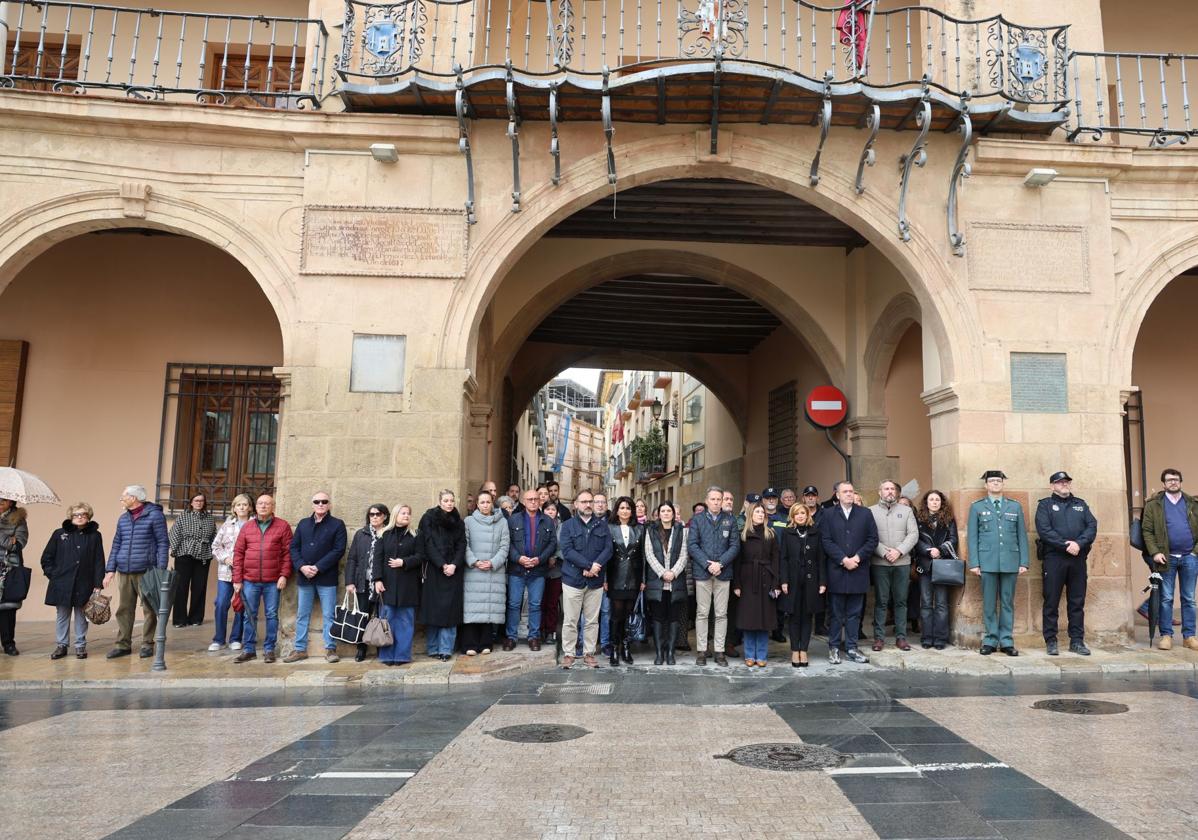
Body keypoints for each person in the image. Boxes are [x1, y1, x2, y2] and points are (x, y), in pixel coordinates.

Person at [1035, 471, 1098, 656]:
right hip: (1054, 559)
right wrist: (1065, 545)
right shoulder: (1045, 506)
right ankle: (1051, 641)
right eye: (1059, 482)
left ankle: (1077, 641)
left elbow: (1092, 526)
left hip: (1078, 558)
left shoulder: (1080, 504)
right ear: (1052, 486)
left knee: (1077, 602)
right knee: (1051, 600)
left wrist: (1079, 543)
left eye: (1067, 482)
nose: (1064, 484)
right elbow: (1044, 530)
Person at [967, 470, 1029, 656]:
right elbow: (973, 537)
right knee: (988, 604)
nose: (995, 483)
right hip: (987, 562)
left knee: (1007, 602)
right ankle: (991, 640)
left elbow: (1022, 536)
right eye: (991, 481)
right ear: (986, 485)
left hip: (1011, 560)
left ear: (1003, 484)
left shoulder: (1014, 506)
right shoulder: (977, 507)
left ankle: (1007, 641)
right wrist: (975, 562)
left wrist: (1024, 561)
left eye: (998, 481)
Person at [103, 485, 168, 660]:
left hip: (147, 570)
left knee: (149, 609)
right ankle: (122, 645)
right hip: (124, 570)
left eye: (124, 495)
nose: (121, 499)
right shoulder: (123, 519)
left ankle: (147, 644)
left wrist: (160, 570)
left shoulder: (155, 515)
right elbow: (116, 544)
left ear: (134, 498)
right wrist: (110, 570)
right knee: (124, 609)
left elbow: (163, 543)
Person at [1140, 468, 1198, 651]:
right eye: (1169, 480)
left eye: (1176, 479)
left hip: (1190, 557)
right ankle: (1166, 635)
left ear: (1180, 482)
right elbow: (1147, 532)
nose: (1173, 482)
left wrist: (1196, 551)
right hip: (1166, 558)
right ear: (1163, 484)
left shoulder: (1193, 503)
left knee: (1189, 599)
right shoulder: (1153, 505)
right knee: (1166, 598)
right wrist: (1155, 552)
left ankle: (1190, 636)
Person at [286, 492, 347, 664]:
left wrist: (318, 567)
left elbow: (338, 550)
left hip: (326, 577)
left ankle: (330, 649)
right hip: (305, 577)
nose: (320, 504)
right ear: (312, 504)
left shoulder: (337, 524)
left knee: (329, 615)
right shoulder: (303, 524)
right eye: (317, 501)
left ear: (329, 505)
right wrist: (302, 566)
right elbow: (294, 548)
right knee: (302, 614)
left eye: (324, 501)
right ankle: (299, 649)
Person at [40, 502, 105, 660]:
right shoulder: (59, 534)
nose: (80, 517)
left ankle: (80, 646)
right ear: (71, 517)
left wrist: (97, 585)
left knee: (82, 615)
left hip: (85, 582)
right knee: (62, 615)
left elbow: (99, 561)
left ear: (88, 517)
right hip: (62, 583)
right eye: (76, 514)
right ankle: (61, 645)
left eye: (83, 514)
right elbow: (46, 558)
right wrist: (54, 575)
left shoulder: (95, 535)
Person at [232, 494, 292, 663]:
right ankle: (249, 649)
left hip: (273, 581)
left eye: (267, 503)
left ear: (273, 506)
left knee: (271, 615)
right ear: (255, 507)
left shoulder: (282, 526)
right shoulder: (247, 527)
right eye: (260, 503)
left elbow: (288, 554)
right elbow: (238, 553)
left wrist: (284, 575)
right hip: (249, 580)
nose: (263, 506)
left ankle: (269, 649)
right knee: (249, 615)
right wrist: (237, 580)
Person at [822, 481, 877, 664]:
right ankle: (834, 647)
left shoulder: (865, 513)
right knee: (836, 613)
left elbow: (872, 539)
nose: (849, 494)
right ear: (837, 495)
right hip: (837, 571)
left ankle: (852, 647)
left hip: (858, 571)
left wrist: (857, 558)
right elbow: (826, 540)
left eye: (851, 491)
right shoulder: (828, 514)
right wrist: (843, 559)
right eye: (844, 492)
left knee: (855, 613)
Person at [558, 489, 612, 669]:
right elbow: (567, 551)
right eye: (584, 502)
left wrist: (595, 566)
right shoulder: (567, 526)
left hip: (595, 581)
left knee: (591, 620)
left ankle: (589, 653)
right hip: (573, 580)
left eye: (590, 501)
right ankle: (569, 653)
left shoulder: (603, 525)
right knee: (571, 620)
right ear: (576, 505)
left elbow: (608, 549)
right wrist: (588, 566)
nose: (588, 505)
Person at [688, 485, 740, 666]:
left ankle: (720, 651)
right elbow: (692, 545)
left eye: (719, 499)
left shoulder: (730, 520)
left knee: (721, 614)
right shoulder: (697, 520)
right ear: (707, 500)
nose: (716, 502)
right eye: (713, 499)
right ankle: (702, 651)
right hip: (703, 573)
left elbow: (735, 546)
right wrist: (707, 564)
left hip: (723, 573)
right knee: (702, 613)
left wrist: (721, 564)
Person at [870, 479, 918, 652]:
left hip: (902, 562)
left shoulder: (906, 511)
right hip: (880, 563)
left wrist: (898, 551)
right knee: (881, 601)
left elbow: (913, 534)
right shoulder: (870, 512)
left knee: (901, 601)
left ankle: (901, 637)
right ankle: (879, 638)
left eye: (892, 489)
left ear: (896, 493)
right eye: (886, 488)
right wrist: (884, 552)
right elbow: (870, 536)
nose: (889, 491)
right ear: (879, 492)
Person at [505, 488, 556, 651]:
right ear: (524, 501)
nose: (533, 502)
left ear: (540, 501)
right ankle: (511, 637)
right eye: (530, 499)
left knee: (535, 604)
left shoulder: (548, 521)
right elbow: (508, 543)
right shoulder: (513, 520)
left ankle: (533, 637)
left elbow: (552, 544)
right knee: (513, 604)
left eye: (536, 499)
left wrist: (540, 559)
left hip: (538, 570)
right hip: (517, 569)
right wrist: (518, 558)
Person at [419, 490, 466, 660]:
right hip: (434, 570)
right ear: (439, 502)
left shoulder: (458, 522)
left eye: (452, 500)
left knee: (450, 612)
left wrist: (453, 564)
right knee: (434, 611)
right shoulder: (428, 518)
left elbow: (462, 545)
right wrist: (442, 564)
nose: (449, 503)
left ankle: (446, 649)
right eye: (446, 500)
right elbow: (427, 543)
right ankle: (433, 648)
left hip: (453, 571)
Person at [463, 490, 509, 656]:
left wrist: (493, 562)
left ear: (492, 503)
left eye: (488, 502)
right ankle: (470, 643)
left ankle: (485, 643)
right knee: (472, 608)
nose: (485, 505)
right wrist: (474, 561)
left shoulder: (502, 522)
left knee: (488, 608)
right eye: (481, 502)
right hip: (473, 570)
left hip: (493, 571)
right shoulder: (468, 521)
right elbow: (464, 544)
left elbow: (505, 546)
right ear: (477, 504)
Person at [374, 505, 421, 665]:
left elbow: (421, 556)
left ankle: (402, 656)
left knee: (405, 622)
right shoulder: (384, 535)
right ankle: (387, 656)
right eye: (403, 513)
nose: (406, 516)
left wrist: (404, 562)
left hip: (408, 586)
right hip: (388, 585)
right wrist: (377, 580)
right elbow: (377, 560)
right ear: (395, 515)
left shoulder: (415, 535)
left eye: (409, 513)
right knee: (388, 620)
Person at [735, 501, 781, 667]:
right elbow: (738, 561)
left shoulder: (771, 534)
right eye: (757, 512)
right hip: (748, 580)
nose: (761, 514)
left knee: (764, 620)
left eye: (762, 512)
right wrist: (737, 584)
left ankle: (761, 655)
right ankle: (749, 654)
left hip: (766, 579)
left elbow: (776, 560)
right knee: (749, 619)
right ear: (750, 515)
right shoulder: (743, 535)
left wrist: (776, 584)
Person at [779, 504, 825, 667]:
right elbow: (783, 558)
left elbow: (821, 559)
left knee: (807, 616)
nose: (800, 516)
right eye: (797, 513)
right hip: (792, 580)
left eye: (803, 513)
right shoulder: (787, 532)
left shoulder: (815, 532)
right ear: (792, 516)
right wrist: (783, 580)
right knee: (793, 616)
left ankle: (804, 650)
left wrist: (822, 582)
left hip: (811, 580)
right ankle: (794, 651)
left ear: (807, 515)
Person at [913, 490, 959, 650]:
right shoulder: (918, 519)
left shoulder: (948, 520)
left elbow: (953, 539)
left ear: (941, 502)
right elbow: (915, 539)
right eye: (931, 499)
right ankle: (926, 637)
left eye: (937, 500)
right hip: (925, 565)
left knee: (941, 604)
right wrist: (928, 550)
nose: (934, 502)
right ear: (926, 502)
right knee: (925, 603)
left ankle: (940, 638)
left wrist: (940, 549)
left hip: (942, 565)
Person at [343, 503, 389, 663]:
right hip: (363, 582)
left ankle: (380, 647)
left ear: (385, 516)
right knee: (362, 617)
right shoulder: (361, 534)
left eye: (378, 514)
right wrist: (349, 581)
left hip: (382, 584)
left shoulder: (388, 533)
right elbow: (352, 559)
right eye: (371, 514)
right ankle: (361, 649)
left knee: (381, 617)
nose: (374, 517)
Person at [644, 500, 687, 665]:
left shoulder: (682, 531)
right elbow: (649, 554)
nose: (666, 513)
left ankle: (670, 652)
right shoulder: (651, 530)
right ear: (659, 513)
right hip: (658, 582)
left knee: (674, 617)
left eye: (669, 511)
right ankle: (659, 653)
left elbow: (684, 555)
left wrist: (673, 573)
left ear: (673, 514)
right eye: (663, 511)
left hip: (676, 582)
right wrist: (663, 573)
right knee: (658, 617)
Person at [209, 493, 252, 652]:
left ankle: (236, 638)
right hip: (226, 572)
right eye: (238, 505)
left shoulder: (253, 525)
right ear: (234, 508)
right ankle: (219, 639)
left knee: (240, 604)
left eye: (245, 505)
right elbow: (215, 546)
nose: (242, 507)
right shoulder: (227, 525)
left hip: (246, 572)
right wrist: (225, 558)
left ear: (249, 508)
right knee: (221, 603)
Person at [168, 492, 217, 628]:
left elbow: (215, 536)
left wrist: (212, 550)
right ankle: (179, 619)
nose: (199, 503)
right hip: (185, 553)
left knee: (199, 587)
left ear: (204, 503)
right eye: (196, 500)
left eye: (201, 501)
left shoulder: (210, 518)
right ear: (191, 502)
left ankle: (196, 618)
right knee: (181, 587)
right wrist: (174, 550)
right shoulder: (183, 516)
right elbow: (174, 533)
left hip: (203, 555)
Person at [606, 496, 645, 666]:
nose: (625, 511)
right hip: (615, 576)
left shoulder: (640, 529)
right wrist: (605, 579)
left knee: (629, 615)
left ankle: (626, 647)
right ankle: (614, 649)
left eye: (628, 508)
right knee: (616, 616)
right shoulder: (609, 528)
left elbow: (643, 556)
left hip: (633, 577)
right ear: (617, 510)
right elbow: (606, 556)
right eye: (622, 508)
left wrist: (643, 579)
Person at [0, 497, 29, 656]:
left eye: (2, 501)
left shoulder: (18, 520)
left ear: (11, 502)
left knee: (7, 609)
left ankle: (8, 643)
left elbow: (17, 544)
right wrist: (7, 539)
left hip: (9, 569)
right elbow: (9, 542)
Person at [540, 501, 564, 644]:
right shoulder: (539, 524)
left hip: (557, 570)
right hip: (540, 568)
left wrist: (554, 557)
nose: (550, 511)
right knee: (539, 602)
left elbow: (564, 545)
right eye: (547, 509)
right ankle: (539, 629)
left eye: (553, 509)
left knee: (552, 603)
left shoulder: (562, 527)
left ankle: (550, 631)